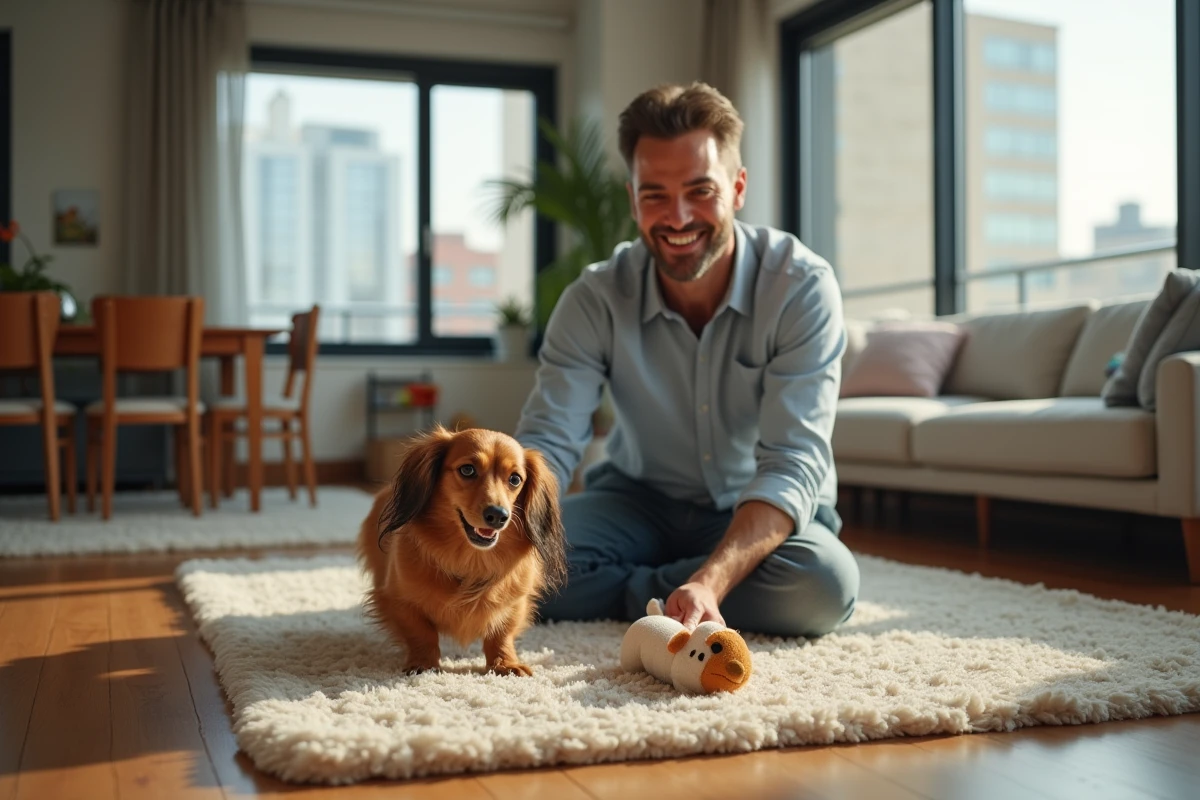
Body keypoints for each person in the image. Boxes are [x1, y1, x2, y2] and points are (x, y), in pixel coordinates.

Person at [514, 82, 859, 638]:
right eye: (655, 195)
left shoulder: (801, 286)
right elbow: (548, 442)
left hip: (758, 509)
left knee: (822, 585)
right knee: (521, 562)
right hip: (636, 502)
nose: (677, 218)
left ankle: (653, 592)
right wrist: (501, 529)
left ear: (738, 187)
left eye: (700, 190)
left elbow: (792, 461)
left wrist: (712, 580)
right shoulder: (594, 298)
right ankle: (666, 598)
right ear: (633, 199)